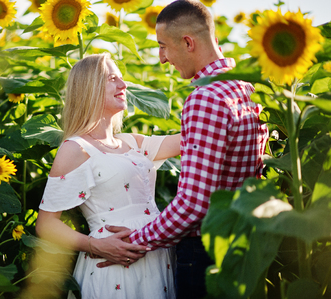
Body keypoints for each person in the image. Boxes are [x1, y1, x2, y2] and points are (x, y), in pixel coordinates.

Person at [98, 1, 269, 298]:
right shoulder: (245, 87)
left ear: (188, 42)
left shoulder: (205, 98)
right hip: (245, 241)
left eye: (163, 46)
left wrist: (137, 241)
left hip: (206, 250)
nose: (162, 59)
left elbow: (194, 204)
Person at [35, 52, 181, 298]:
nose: (124, 85)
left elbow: (194, 138)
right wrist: (95, 245)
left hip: (156, 256)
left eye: (122, 79)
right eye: (112, 79)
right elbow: (46, 223)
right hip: (111, 261)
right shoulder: (76, 148)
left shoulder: (131, 142)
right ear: (88, 87)